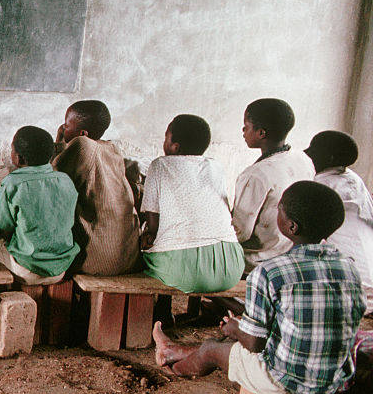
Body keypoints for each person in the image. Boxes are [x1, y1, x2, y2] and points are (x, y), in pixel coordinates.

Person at [154, 181, 366, 394]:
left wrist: (235, 329)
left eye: (280, 208)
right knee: (232, 347)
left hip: (287, 382)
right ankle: (172, 350)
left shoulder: (270, 272)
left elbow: (254, 345)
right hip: (333, 379)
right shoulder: (348, 267)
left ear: (291, 227)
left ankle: (175, 370)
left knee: (211, 349)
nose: (277, 212)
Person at [139, 115, 245, 293]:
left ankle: (162, 313)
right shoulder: (216, 167)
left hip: (182, 270)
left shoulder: (160, 165)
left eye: (166, 137)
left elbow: (153, 225)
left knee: (148, 252)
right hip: (231, 264)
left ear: (175, 146)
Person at [0, 126, 79, 285]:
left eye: (12, 150)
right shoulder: (65, 180)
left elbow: (4, 226)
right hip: (61, 268)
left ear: (19, 159)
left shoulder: (12, 182)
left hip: (26, 269)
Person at [52, 100, 140, 275]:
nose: (63, 127)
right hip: (129, 259)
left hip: (98, 261)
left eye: (66, 125)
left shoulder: (82, 145)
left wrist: (59, 141)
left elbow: (51, 178)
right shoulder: (112, 149)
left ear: (83, 133)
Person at [232, 98, 314, 270]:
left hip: (256, 260)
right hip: (289, 252)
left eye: (246, 126)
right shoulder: (303, 159)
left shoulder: (256, 175)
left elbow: (240, 232)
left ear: (261, 133)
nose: (243, 130)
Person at [306, 130, 373, 310]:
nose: (307, 153)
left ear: (330, 158)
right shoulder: (354, 179)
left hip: (353, 292)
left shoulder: (320, 185)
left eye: (314, 150)